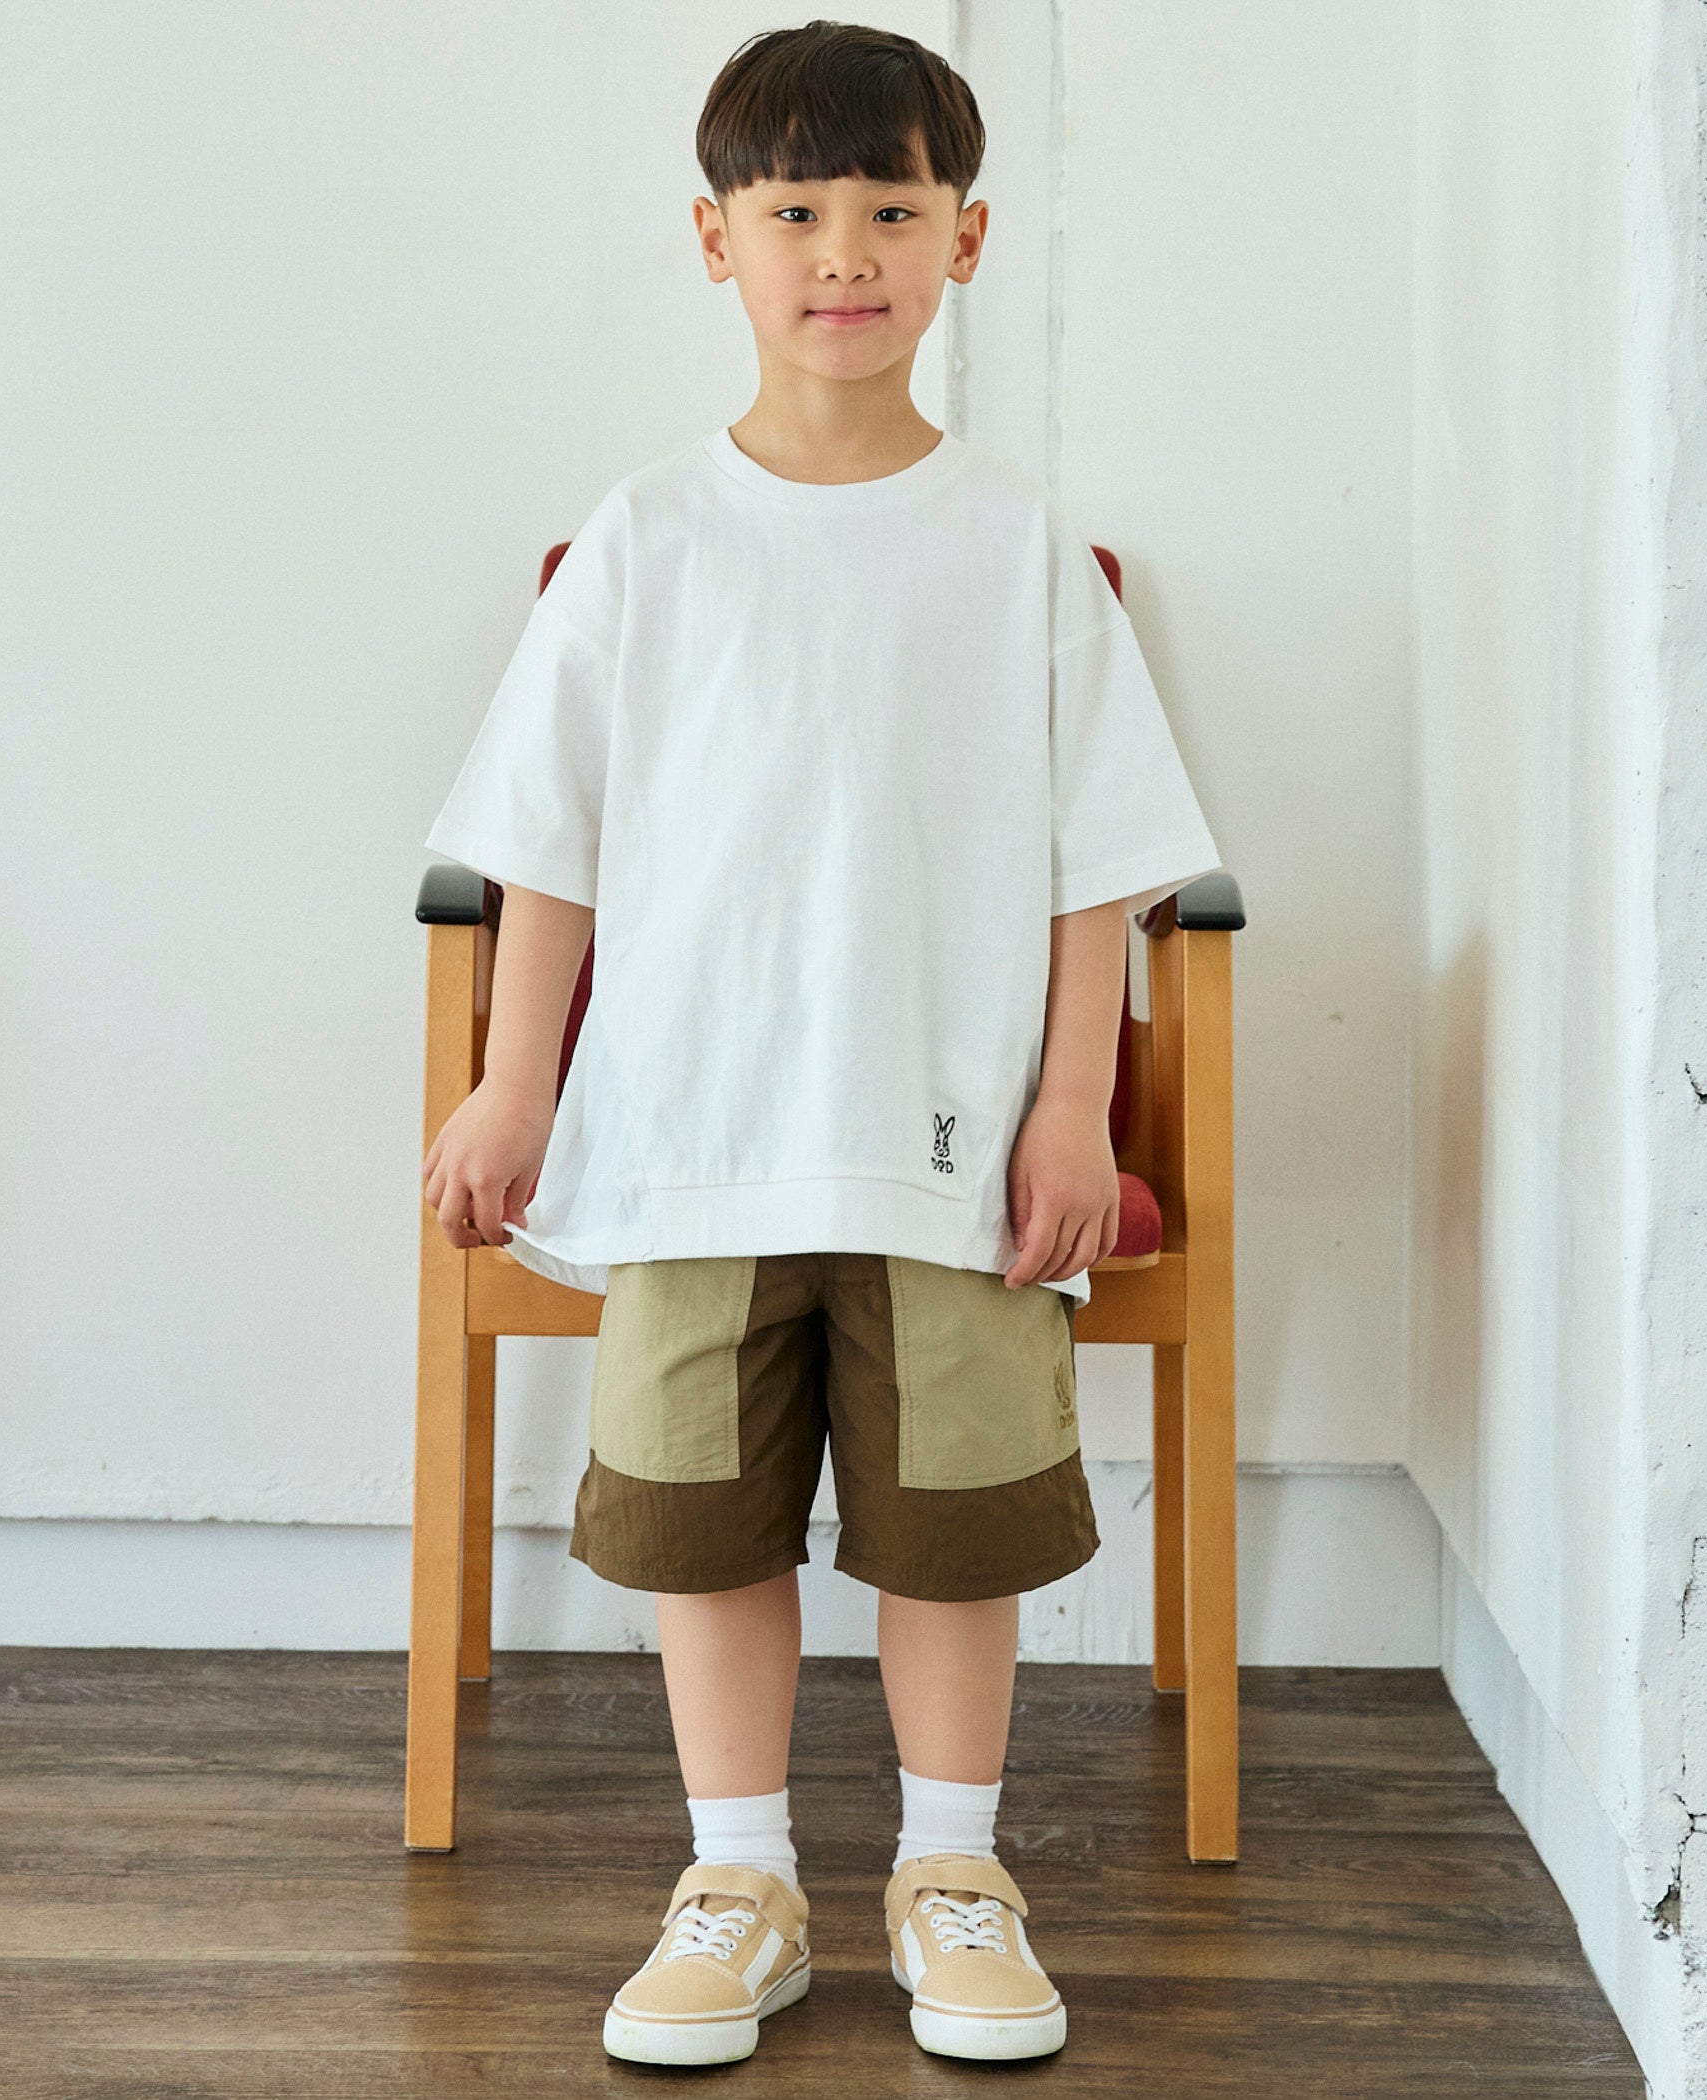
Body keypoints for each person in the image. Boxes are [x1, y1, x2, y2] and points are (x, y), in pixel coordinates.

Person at [419, 18, 1221, 2070]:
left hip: (946, 1139)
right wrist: (514, 1080)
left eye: (890, 207)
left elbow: (1101, 864)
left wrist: (1071, 1105)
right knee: (702, 1520)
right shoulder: (648, 537)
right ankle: (740, 1879)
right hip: (695, 1132)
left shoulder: (1018, 545)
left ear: (970, 237)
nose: (844, 251)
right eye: (794, 210)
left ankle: (954, 1870)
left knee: (956, 1521)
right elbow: (545, 840)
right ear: (717, 240)